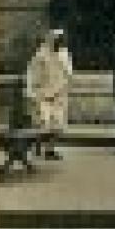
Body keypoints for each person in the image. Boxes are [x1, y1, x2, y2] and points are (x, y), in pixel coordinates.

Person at [23, 28, 75, 159]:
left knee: (57, 124)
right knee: (44, 123)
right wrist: (34, 92)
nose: (58, 43)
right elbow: (33, 75)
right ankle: (39, 146)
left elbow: (68, 73)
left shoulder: (64, 54)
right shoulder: (40, 55)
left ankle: (50, 149)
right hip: (44, 94)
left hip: (59, 94)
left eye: (60, 41)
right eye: (56, 40)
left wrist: (65, 88)